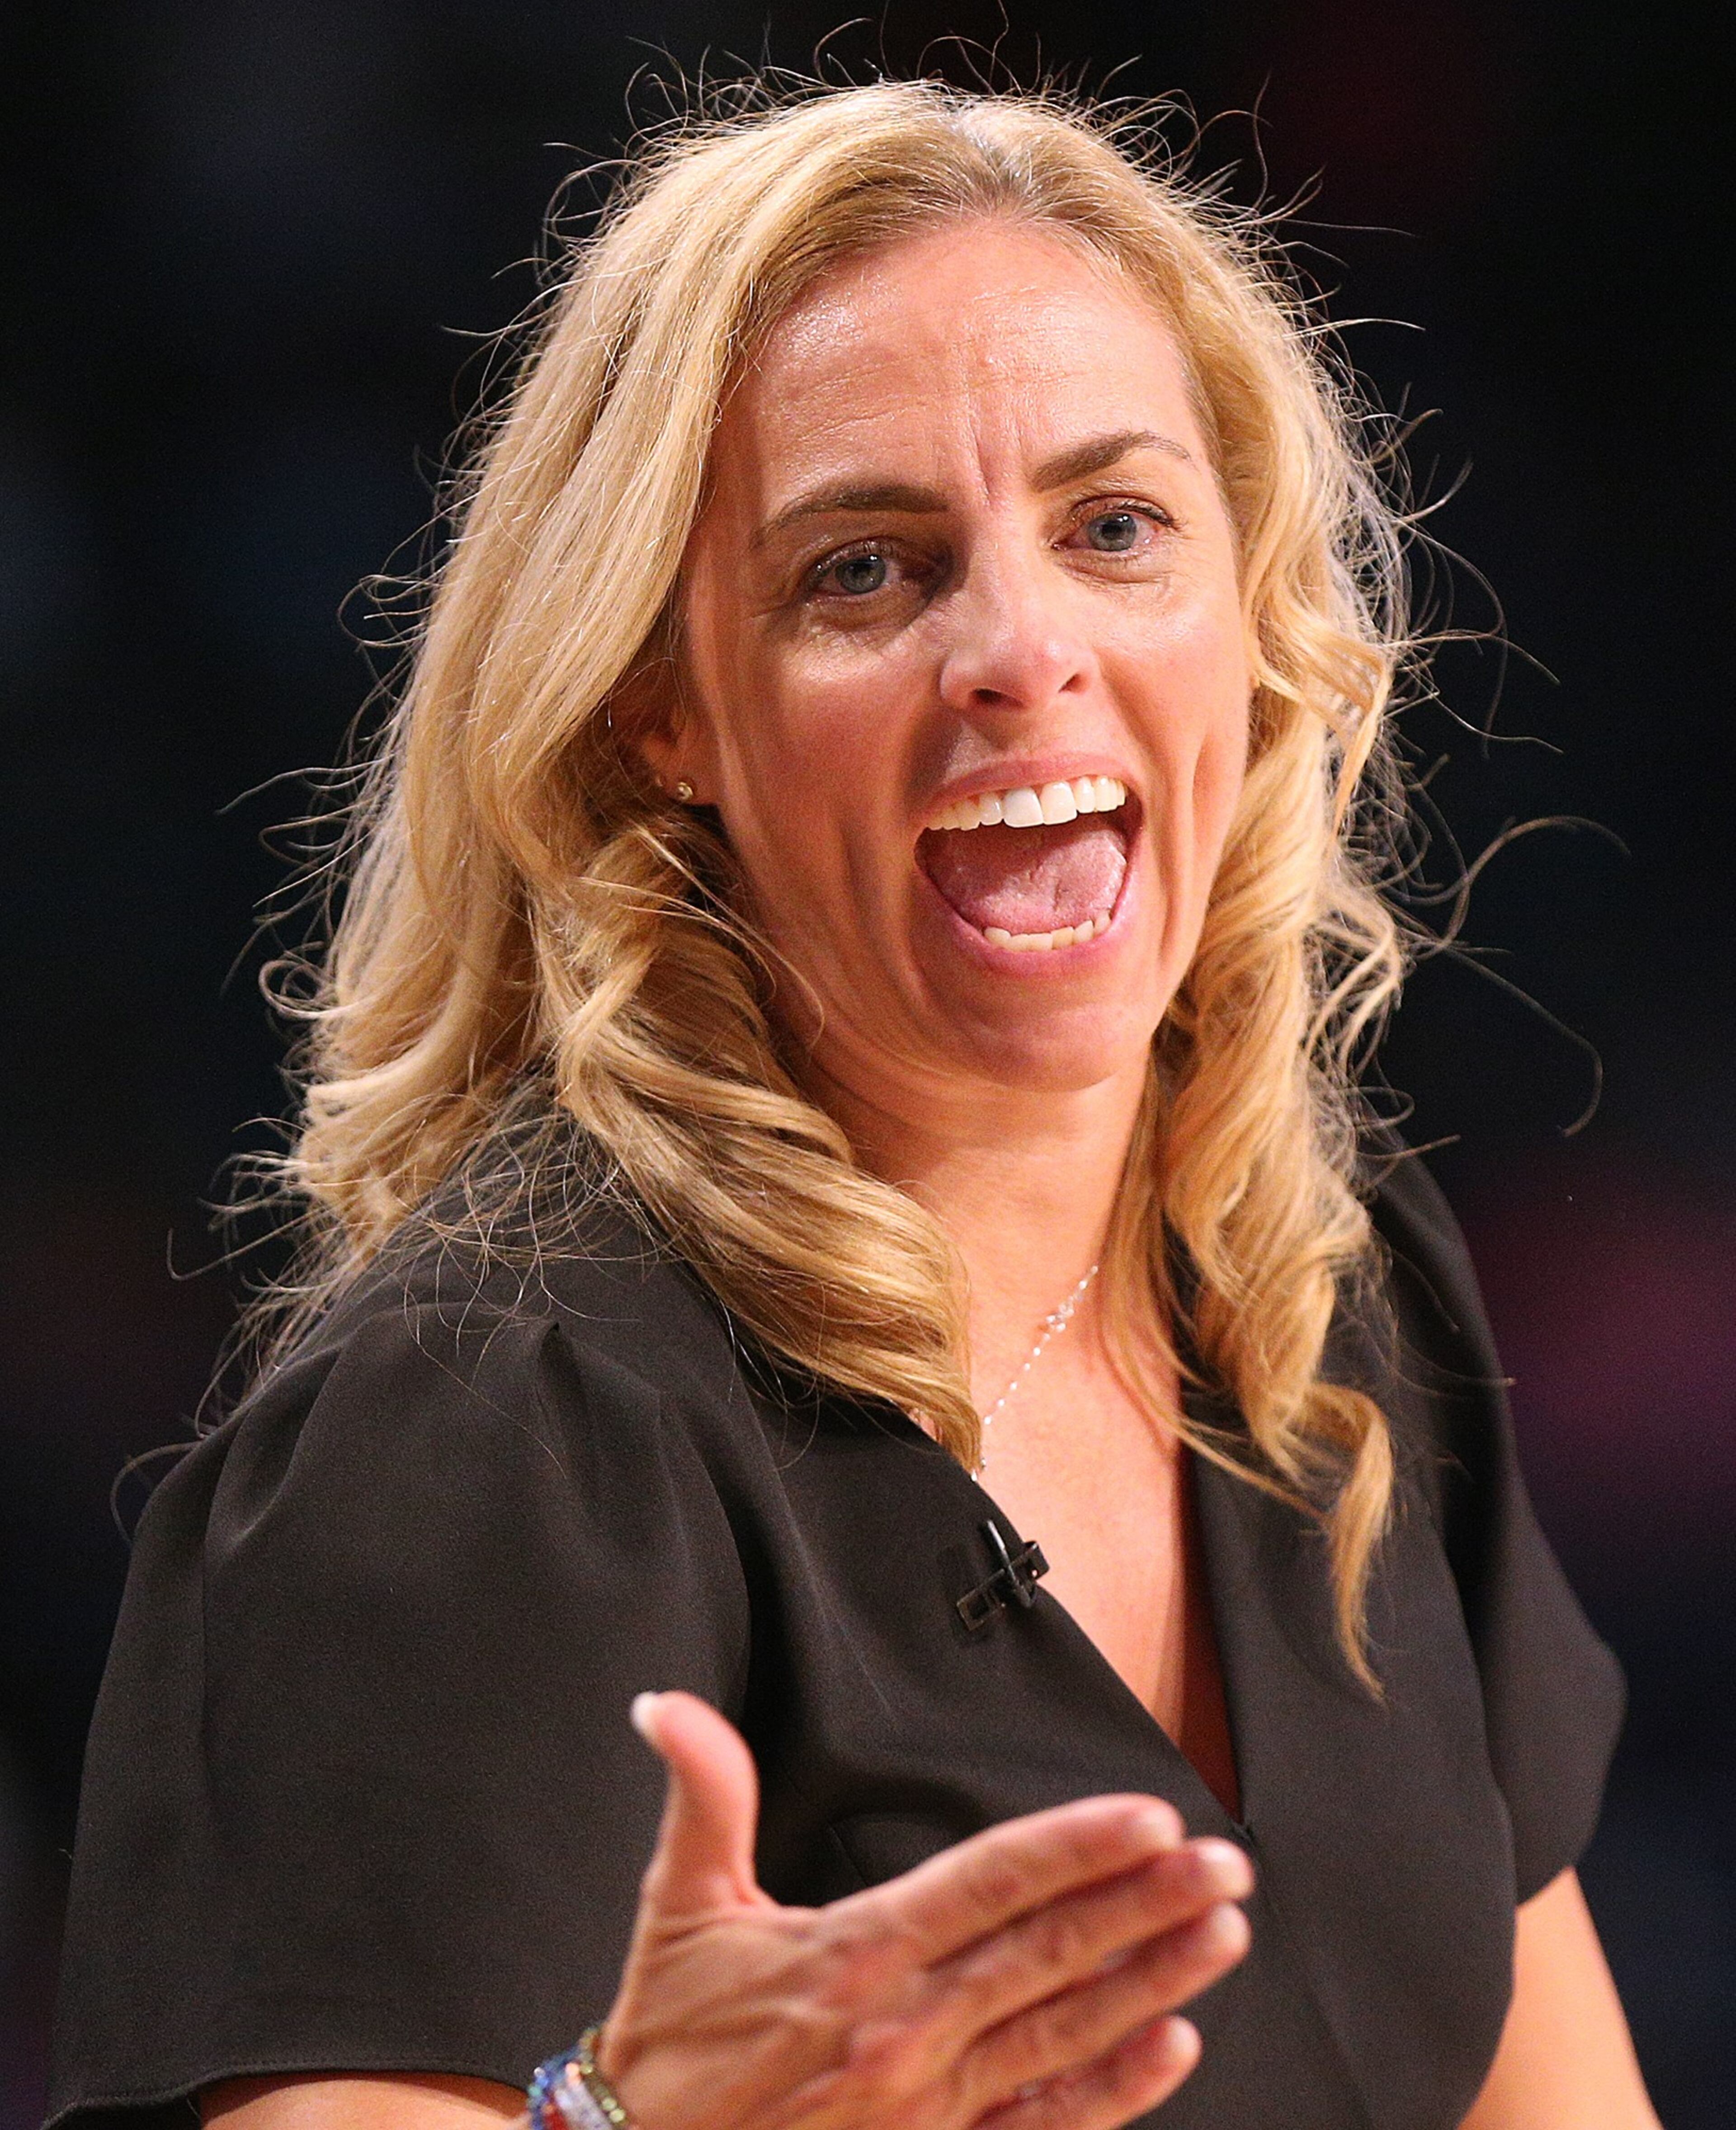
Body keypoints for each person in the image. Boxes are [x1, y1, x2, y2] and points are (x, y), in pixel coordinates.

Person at [48, 80, 1656, 2130]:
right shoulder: (486, 1426)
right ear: (661, 708)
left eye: (1115, 528)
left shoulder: (1321, 1287)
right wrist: (621, 2123)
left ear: (1249, 609)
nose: (1022, 650)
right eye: (867, 570)